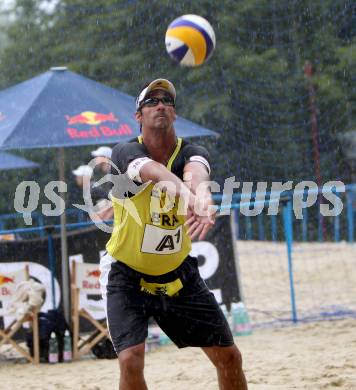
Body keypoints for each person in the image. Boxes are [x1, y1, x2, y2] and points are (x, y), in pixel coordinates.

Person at [99, 79, 248, 390]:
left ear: (175, 114)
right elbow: (156, 173)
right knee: (130, 359)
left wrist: (203, 198)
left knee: (230, 357)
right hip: (127, 275)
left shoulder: (193, 151)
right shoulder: (125, 151)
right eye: (151, 101)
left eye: (167, 100)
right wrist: (190, 199)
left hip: (178, 275)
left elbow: (198, 174)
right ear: (138, 115)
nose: (161, 104)